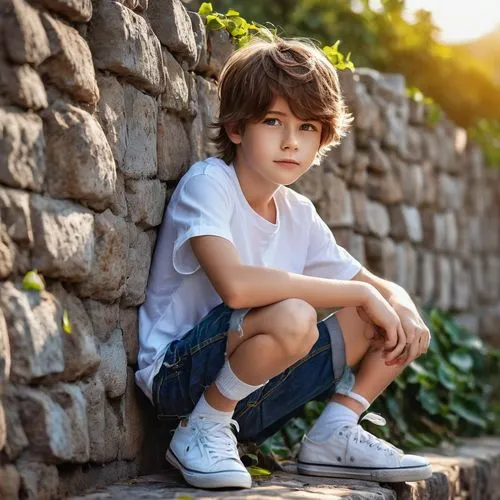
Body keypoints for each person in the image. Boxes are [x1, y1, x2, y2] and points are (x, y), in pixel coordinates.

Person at [135, 35, 432, 490]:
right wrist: (361, 293)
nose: (291, 142)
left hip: (251, 402)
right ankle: (201, 428)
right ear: (237, 129)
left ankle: (335, 432)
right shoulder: (210, 184)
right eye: (274, 121)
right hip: (180, 381)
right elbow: (235, 286)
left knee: (378, 315)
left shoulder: (298, 214)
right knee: (297, 313)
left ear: (323, 137)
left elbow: (374, 288)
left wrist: (402, 305)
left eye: (308, 127)